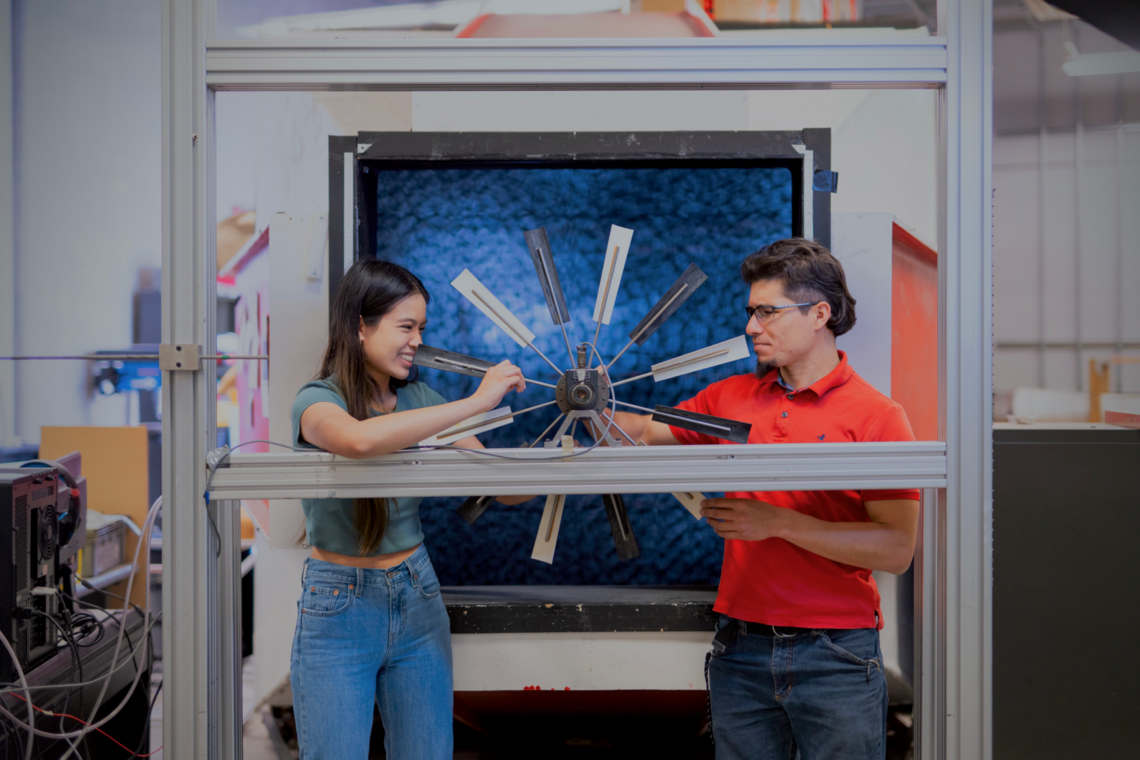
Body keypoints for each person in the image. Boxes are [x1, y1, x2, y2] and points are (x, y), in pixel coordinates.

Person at [607, 238, 920, 760]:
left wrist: (777, 522)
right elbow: (645, 431)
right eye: (751, 312)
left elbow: (896, 549)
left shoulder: (878, 417)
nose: (752, 327)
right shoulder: (730, 399)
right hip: (741, 649)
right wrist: (594, 404)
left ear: (820, 313)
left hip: (836, 652)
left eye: (768, 312)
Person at [289, 259, 531, 760]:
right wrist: (478, 401)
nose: (417, 340)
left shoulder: (420, 398)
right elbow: (356, 441)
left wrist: (568, 455)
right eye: (406, 326)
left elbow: (499, 486)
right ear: (360, 325)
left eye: (421, 328)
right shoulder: (316, 401)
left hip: (417, 596)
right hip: (338, 607)